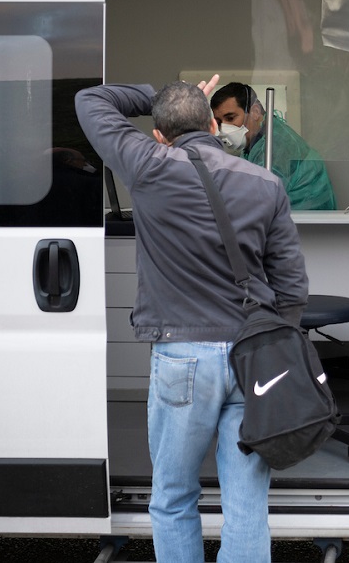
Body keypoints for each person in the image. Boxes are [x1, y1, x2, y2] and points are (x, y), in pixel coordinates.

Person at [75, 77, 308, 563]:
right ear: (211, 123)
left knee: (175, 495)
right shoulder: (266, 184)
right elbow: (291, 287)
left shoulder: (146, 164)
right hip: (253, 358)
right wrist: (274, 344)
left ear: (159, 134)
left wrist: (159, 91)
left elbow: (90, 99)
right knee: (246, 503)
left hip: (182, 357)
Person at [210, 82, 337, 210]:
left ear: (255, 112)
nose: (224, 129)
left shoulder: (276, 145)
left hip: (308, 225)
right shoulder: (256, 143)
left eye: (231, 118)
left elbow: (257, 202)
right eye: (219, 122)